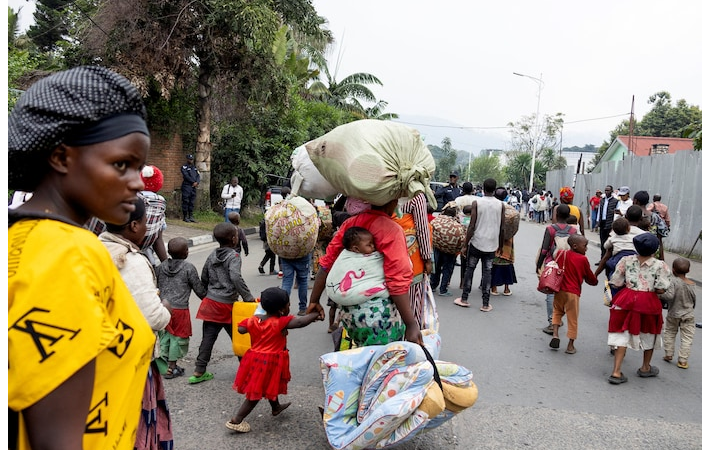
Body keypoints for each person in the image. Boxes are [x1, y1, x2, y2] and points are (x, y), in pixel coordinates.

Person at [8, 66, 156, 450]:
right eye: (122, 164)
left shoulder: (23, 238)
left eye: (139, 167)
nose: (138, 182)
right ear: (61, 157)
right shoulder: (67, 252)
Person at [99, 199, 174, 450]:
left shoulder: (94, 247)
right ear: (133, 225)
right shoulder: (131, 260)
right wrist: (165, 308)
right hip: (131, 361)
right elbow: (153, 317)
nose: (146, 228)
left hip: (100, 358)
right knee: (136, 429)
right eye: (144, 223)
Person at [306, 199, 423, 347]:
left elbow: (327, 263)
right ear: (392, 202)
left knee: (356, 358)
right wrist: (411, 324)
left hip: (348, 315)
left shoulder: (351, 223)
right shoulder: (392, 229)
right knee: (381, 363)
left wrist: (314, 300)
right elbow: (397, 281)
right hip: (378, 315)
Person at [225, 287, 319, 433]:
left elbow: (241, 330)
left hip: (254, 359)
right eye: (288, 305)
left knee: (269, 384)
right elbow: (300, 322)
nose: (289, 307)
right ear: (282, 309)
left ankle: (275, 407)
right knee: (256, 393)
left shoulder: (253, 320)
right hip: (269, 362)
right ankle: (236, 420)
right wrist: (315, 314)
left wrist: (255, 321)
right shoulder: (280, 322)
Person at [190, 222, 256, 384]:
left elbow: (204, 274)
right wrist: (248, 297)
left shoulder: (212, 254)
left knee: (208, 338)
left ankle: (199, 370)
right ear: (234, 239)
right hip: (227, 304)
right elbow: (235, 277)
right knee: (238, 337)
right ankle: (247, 371)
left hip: (211, 302)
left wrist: (207, 293)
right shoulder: (233, 256)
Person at [607, 233, 672, 385]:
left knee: (622, 333)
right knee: (649, 332)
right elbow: (661, 288)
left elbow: (616, 281)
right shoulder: (660, 265)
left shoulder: (626, 260)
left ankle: (616, 371)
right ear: (655, 250)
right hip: (648, 301)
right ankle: (645, 367)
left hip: (626, 299)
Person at [156, 237, 207, 379]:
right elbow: (199, 289)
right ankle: (172, 367)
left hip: (163, 308)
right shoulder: (188, 268)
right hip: (180, 310)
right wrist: (208, 299)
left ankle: (165, 364)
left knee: (165, 336)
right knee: (178, 338)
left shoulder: (160, 267)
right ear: (186, 253)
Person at [454, 178, 505, 312]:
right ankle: (485, 304)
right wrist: (500, 245)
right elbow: (502, 228)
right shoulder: (501, 205)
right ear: (494, 189)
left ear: (483, 188)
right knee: (487, 272)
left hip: (477, 242)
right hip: (491, 244)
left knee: (470, 269)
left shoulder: (477, 202)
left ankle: (464, 298)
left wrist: (465, 244)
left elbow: (472, 225)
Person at [548, 235, 598, 354]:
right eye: (585, 246)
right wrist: (595, 281)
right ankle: (570, 345)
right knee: (572, 318)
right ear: (575, 246)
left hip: (559, 290)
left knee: (557, 311)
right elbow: (590, 278)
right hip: (573, 292)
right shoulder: (583, 259)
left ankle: (555, 334)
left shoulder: (561, 254)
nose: (586, 249)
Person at [536, 204, 578, 335]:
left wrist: (539, 264)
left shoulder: (550, 229)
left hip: (552, 263)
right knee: (564, 291)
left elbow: (544, 249)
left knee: (550, 292)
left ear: (557, 215)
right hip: (567, 264)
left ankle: (552, 322)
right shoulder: (573, 231)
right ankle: (559, 318)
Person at [394, 192, 433, 326]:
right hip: (411, 262)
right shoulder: (416, 196)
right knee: (412, 308)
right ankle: (410, 340)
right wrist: (427, 258)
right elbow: (422, 229)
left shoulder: (385, 191)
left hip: (388, 260)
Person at [660, 258, 696, 369]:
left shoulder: (673, 282)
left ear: (673, 270)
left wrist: (659, 295)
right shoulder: (692, 284)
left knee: (670, 333)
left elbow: (669, 296)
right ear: (688, 271)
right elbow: (693, 299)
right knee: (687, 338)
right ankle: (683, 360)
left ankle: (668, 354)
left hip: (673, 314)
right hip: (688, 315)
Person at [430, 203, 461, 297]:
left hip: (437, 248)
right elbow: (461, 237)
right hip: (450, 251)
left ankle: (432, 286)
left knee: (436, 267)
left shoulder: (436, 220)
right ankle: (443, 289)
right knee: (447, 269)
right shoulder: (456, 224)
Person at [490, 188, 517, 296]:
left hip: (495, 238)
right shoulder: (511, 209)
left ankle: (494, 288)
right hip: (508, 240)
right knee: (507, 263)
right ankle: (506, 288)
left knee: (494, 263)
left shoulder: (493, 207)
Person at [140, 164, 168, 266]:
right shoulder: (160, 202)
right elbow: (158, 238)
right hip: (148, 259)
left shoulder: (130, 198)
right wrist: (166, 265)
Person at [632, 190, 667, 261]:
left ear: (636, 201)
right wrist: (662, 258)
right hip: (653, 254)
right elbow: (660, 238)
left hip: (634, 252)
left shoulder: (631, 215)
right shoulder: (656, 217)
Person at [280, 252, 312, 316]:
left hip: (286, 255)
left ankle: (282, 308)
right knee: (303, 281)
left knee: (287, 281)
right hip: (303, 255)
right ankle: (303, 308)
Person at [597, 185, 618, 259]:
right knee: (602, 242)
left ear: (611, 191)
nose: (606, 192)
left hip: (610, 223)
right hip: (602, 222)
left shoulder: (615, 201)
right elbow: (600, 210)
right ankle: (602, 258)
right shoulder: (602, 200)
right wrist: (598, 221)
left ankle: (608, 258)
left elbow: (616, 213)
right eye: (605, 190)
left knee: (609, 242)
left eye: (608, 190)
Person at [181, 153, 200, 222]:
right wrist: (193, 182)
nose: (191, 161)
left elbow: (198, 175)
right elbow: (186, 176)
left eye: (192, 159)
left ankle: (191, 216)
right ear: (187, 159)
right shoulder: (184, 167)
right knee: (186, 201)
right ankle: (185, 216)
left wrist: (197, 182)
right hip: (187, 186)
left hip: (193, 187)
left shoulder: (194, 167)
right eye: (190, 159)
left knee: (192, 202)